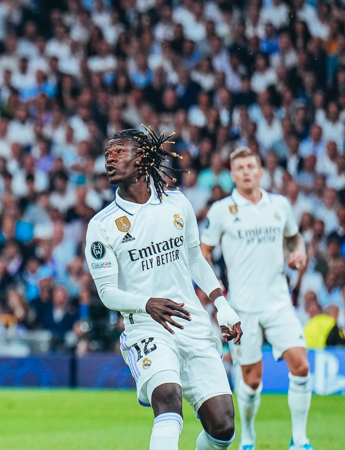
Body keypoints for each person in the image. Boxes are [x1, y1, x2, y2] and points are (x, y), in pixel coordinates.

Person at [85, 127, 242, 450]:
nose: (110, 161)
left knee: (223, 427)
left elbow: (195, 259)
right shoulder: (102, 225)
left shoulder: (176, 203)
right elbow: (107, 293)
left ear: (142, 158)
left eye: (119, 153)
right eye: (107, 156)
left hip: (193, 322)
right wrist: (147, 304)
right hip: (146, 328)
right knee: (168, 398)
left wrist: (221, 305)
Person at [200, 147, 315, 450]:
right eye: (240, 168)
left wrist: (298, 251)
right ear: (232, 175)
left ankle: (300, 440)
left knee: (301, 365)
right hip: (242, 309)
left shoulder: (279, 205)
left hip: (278, 303)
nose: (247, 172)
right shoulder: (221, 210)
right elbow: (204, 251)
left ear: (261, 171)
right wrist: (215, 285)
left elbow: (292, 237)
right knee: (251, 380)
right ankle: (248, 437)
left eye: (251, 166)